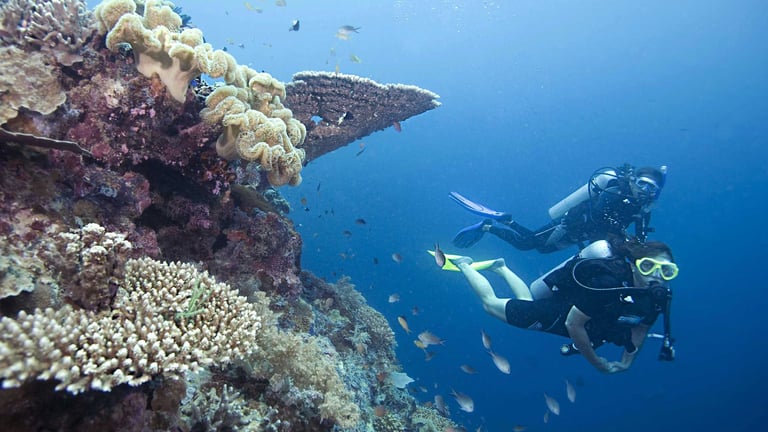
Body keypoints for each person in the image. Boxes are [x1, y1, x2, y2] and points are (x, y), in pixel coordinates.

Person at [438, 236, 676, 373]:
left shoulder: (657, 298)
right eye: (648, 266)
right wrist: (596, 363)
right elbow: (574, 325)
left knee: (527, 302)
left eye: (666, 271)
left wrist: (626, 362)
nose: (655, 276)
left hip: (576, 316)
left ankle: (501, 267)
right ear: (634, 265)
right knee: (490, 305)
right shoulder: (608, 284)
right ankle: (464, 264)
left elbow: (640, 328)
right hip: (558, 316)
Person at [451, 164, 667, 253]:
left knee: (541, 248)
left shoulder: (643, 208)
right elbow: (599, 215)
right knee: (527, 245)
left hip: (586, 234)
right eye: (642, 184)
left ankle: (507, 221)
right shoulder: (614, 190)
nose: (645, 190)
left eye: (651, 188)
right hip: (570, 224)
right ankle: (490, 224)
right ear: (633, 181)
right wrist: (619, 235)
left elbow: (641, 235)